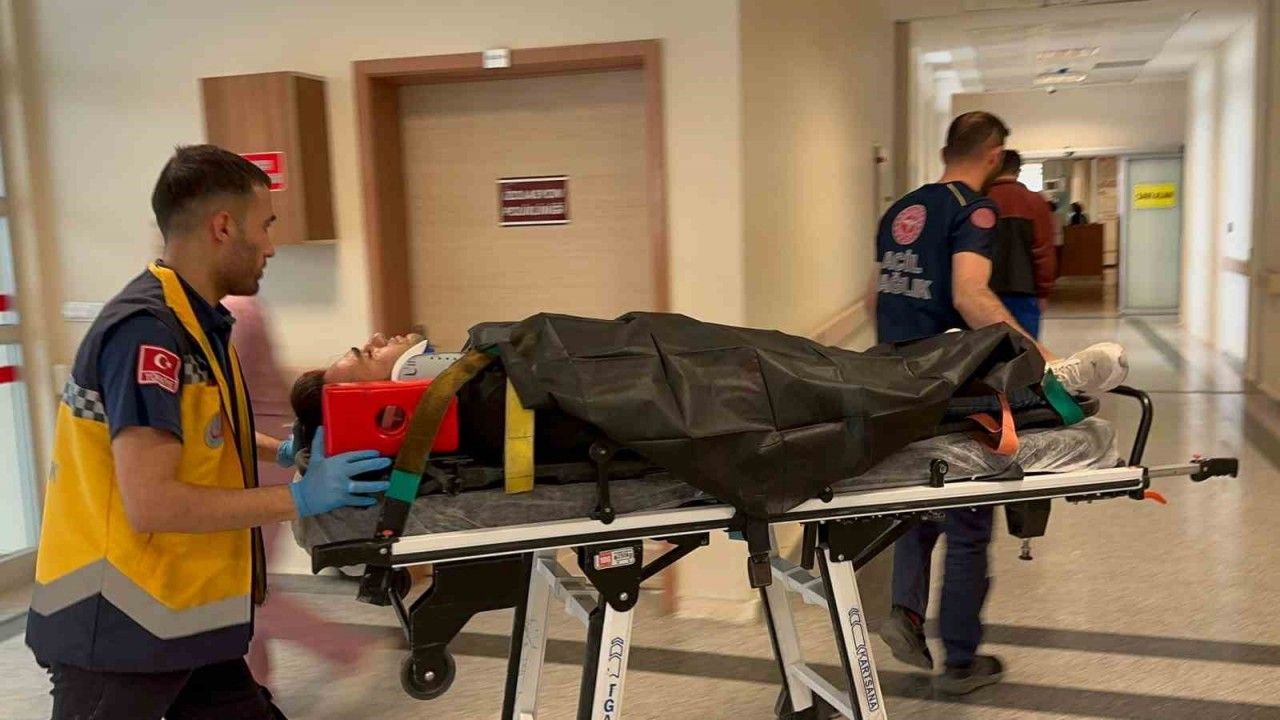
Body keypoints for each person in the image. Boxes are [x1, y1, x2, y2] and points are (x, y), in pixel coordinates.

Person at [26, 145, 391, 720]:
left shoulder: (197, 321)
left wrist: (283, 453)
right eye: (265, 225)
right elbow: (153, 502)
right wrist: (300, 498)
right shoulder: (147, 333)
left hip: (181, 617)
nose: (271, 246)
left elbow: (202, 434)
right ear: (223, 227)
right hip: (120, 628)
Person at [869, 112, 1124, 696]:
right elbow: (970, 295)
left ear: (946, 150)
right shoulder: (974, 210)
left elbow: (873, 297)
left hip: (898, 383)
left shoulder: (899, 210)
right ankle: (961, 661)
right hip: (958, 388)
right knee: (968, 516)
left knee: (918, 497)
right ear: (993, 154)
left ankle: (906, 611)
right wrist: (1041, 359)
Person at [222, 295, 379, 689]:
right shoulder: (234, 310)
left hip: (253, 461)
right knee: (243, 582)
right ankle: (255, 683)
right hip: (258, 451)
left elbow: (217, 407)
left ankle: (343, 649)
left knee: (240, 589)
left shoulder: (232, 313)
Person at [986, 150, 1057, 338]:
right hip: (1025, 291)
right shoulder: (1035, 202)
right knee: (1025, 349)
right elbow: (1044, 253)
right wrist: (1044, 292)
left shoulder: (980, 201)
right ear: (1018, 171)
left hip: (985, 292)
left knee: (986, 350)